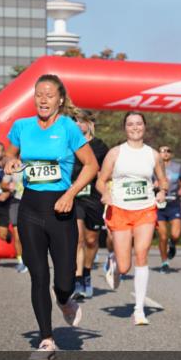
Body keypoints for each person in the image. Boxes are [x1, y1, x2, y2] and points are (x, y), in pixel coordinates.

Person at [4, 74, 98, 360]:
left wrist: (70, 194)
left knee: (64, 282)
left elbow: (91, 165)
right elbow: (10, 154)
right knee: (38, 276)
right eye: (38, 94)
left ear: (60, 99)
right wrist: (11, 162)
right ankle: (46, 339)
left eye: (49, 95)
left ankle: (64, 299)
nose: (43, 99)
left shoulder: (68, 127)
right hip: (30, 209)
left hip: (61, 209)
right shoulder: (21, 126)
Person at [97, 112, 168, 326]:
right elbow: (101, 180)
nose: (135, 127)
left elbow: (163, 180)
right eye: (130, 124)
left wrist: (162, 192)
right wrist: (105, 193)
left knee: (142, 254)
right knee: (124, 267)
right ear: (125, 128)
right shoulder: (115, 153)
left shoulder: (153, 154)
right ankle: (114, 261)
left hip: (145, 209)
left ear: (144, 127)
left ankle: (139, 310)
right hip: (120, 209)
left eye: (138, 124)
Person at [71, 113, 109, 299]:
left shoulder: (100, 146)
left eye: (81, 121)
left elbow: (107, 171)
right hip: (74, 196)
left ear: (89, 124)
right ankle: (77, 280)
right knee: (78, 239)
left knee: (92, 240)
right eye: (74, 121)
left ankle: (86, 273)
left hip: (93, 197)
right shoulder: (68, 144)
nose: (78, 124)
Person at [155, 145, 181, 272]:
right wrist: (153, 185)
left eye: (168, 151)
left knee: (175, 234)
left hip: (173, 203)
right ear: (158, 154)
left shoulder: (177, 167)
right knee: (162, 236)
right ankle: (164, 263)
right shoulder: (153, 167)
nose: (165, 153)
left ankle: (172, 244)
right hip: (158, 204)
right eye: (162, 151)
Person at [8, 167, 27, 273]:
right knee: (17, 234)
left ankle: (32, 258)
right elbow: (3, 183)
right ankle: (21, 261)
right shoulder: (13, 165)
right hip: (16, 201)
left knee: (31, 233)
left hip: (31, 201)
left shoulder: (34, 162)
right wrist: (8, 186)